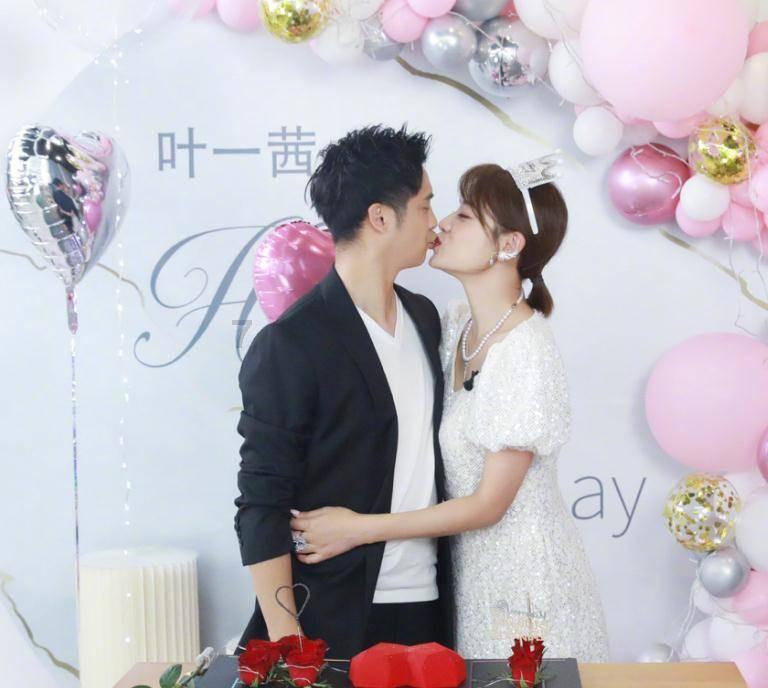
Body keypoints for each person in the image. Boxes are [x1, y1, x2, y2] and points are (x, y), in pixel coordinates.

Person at [289, 162, 611, 661]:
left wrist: (356, 528)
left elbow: (488, 505)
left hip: (527, 589)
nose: (442, 224)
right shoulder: (455, 326)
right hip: (470, 581)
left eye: (463, 216)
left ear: (509, 245)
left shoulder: (525, 349)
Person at [234, 124, 454, 660]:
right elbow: (261, 504)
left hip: (429, 605)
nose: (435, 221)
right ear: (380, 217)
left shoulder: (425, 318)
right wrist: (289, 642)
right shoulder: (290, 343)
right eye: (425, 205)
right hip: (332, 614)